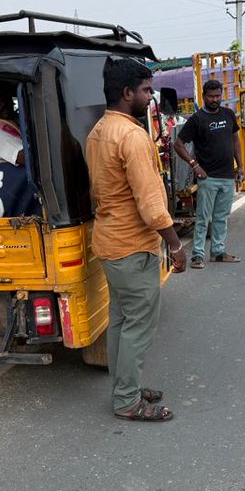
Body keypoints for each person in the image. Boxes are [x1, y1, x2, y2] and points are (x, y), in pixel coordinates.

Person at [86, 57, 187, 422]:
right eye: (146, 90)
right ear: (127, 93)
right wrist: (175, 245)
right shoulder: (132, 136)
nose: (150, 96)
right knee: (138, 324)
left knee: (120, 320)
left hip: (110, 243)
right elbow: (151, 205)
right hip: (132, 246)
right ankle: (127, 401)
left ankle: (123, 386)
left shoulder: (99, 131)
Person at [173, 79, 244, 268]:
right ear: (204, 96)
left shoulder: (228, 115)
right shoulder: (197, 119)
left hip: (227, 176)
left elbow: (235, 140)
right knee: (204, 219)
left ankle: (218, 252)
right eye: (211, 96)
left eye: (218, 96)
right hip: (208, 177)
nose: (215, 99)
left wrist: (241, 166)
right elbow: (178, 145)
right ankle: (197, 255)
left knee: (221, 217)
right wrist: (194, 165)